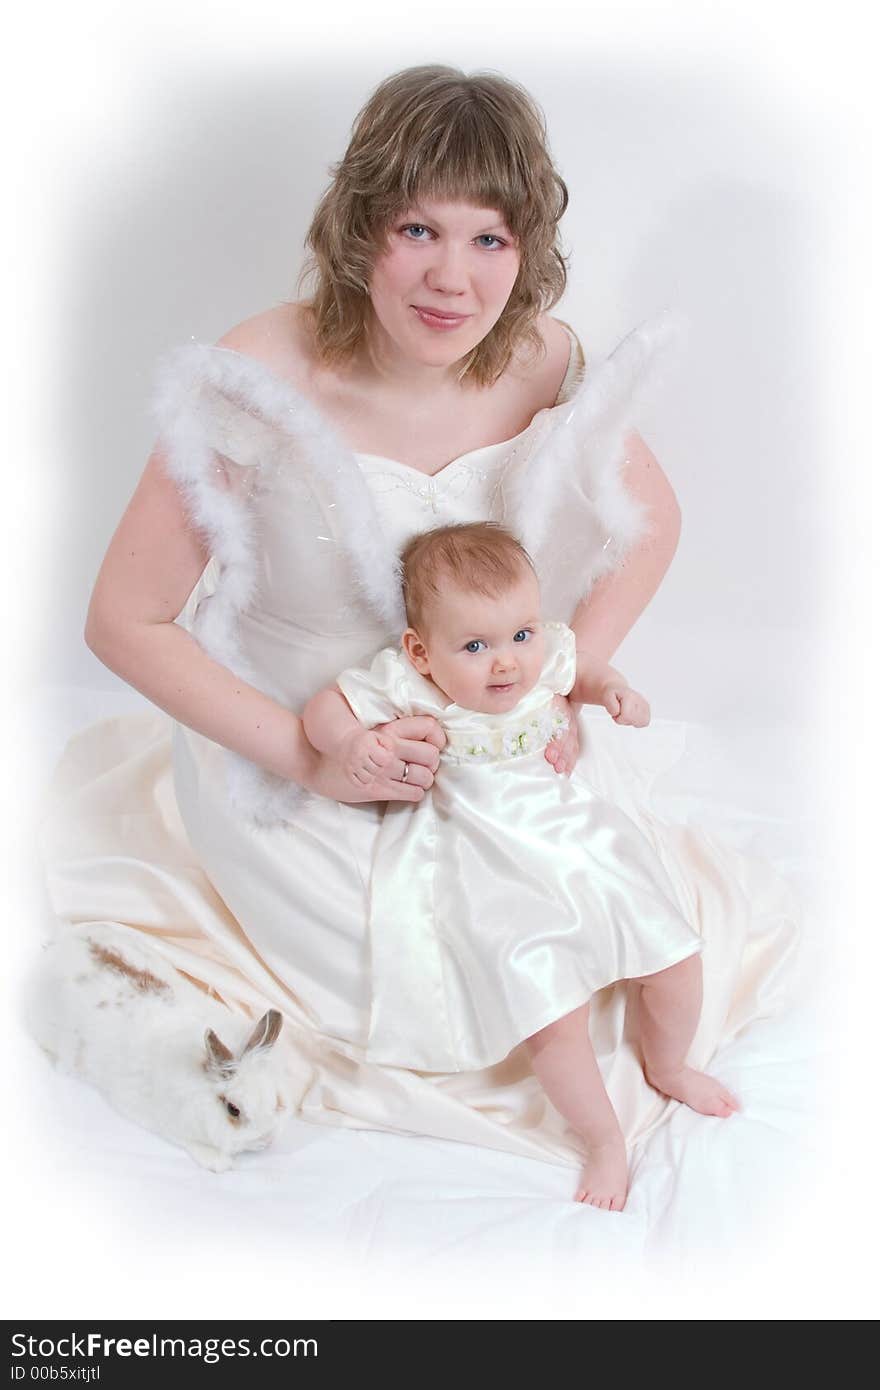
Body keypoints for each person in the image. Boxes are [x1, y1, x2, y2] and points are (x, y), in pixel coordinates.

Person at [38, 63, 798, 1211]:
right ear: (358, 229)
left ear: (528, 248)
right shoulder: (261, 372)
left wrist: (570, 666)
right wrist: (307, 752)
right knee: (433, 974)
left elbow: (655, 525)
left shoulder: (542, 356)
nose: (453, 278)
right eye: (417, 229)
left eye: (490, 239)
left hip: (481, 714)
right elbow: (123, 619)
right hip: (298, 736)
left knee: (614, 942)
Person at [302, 521, 739, 1211]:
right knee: (551, 1018)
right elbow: (325, 709)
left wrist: (612, 689)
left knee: (677, 958)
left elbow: (581, 668)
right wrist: (352, 742)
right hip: (488, 866)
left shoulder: (545, 660)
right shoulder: (412, 686)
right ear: (421, 652)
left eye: (521, 635)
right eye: (475, 646)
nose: (507, 663)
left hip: (576, 842)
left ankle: (669, 1064)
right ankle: (602, 1139)